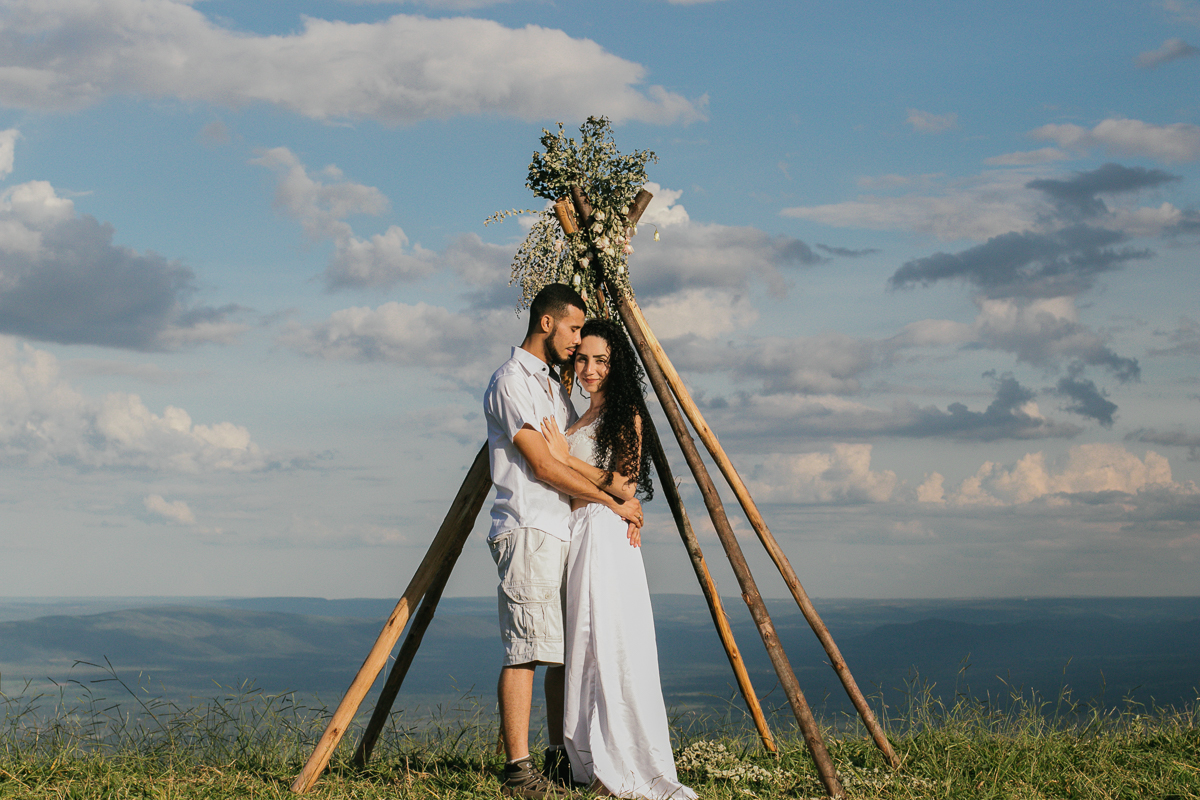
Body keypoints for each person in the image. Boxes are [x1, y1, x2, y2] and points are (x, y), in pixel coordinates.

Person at [484, 284, 644, 799]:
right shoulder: (512, 381)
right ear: (547, 323)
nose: (578, 342)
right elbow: (544, 464)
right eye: (574, 330)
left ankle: (559, 755)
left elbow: (579, 458)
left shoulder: (553, 388)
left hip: (563, 530)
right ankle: (519, 771)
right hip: (529, 524)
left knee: (558, 649)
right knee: (525, 648)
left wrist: (617, 499)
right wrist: (614, 500)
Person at [540, 318, 697, 800]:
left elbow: (625, 484)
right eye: (582, 359)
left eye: (600, 360)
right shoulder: (577, 416)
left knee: (607, 639)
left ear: (617, 365)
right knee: (583, 642)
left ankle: (621, 758)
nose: (589, 369)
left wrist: (564, 458)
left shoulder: (625, 413)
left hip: (603, 534)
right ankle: (588, 755)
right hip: (579, 529)